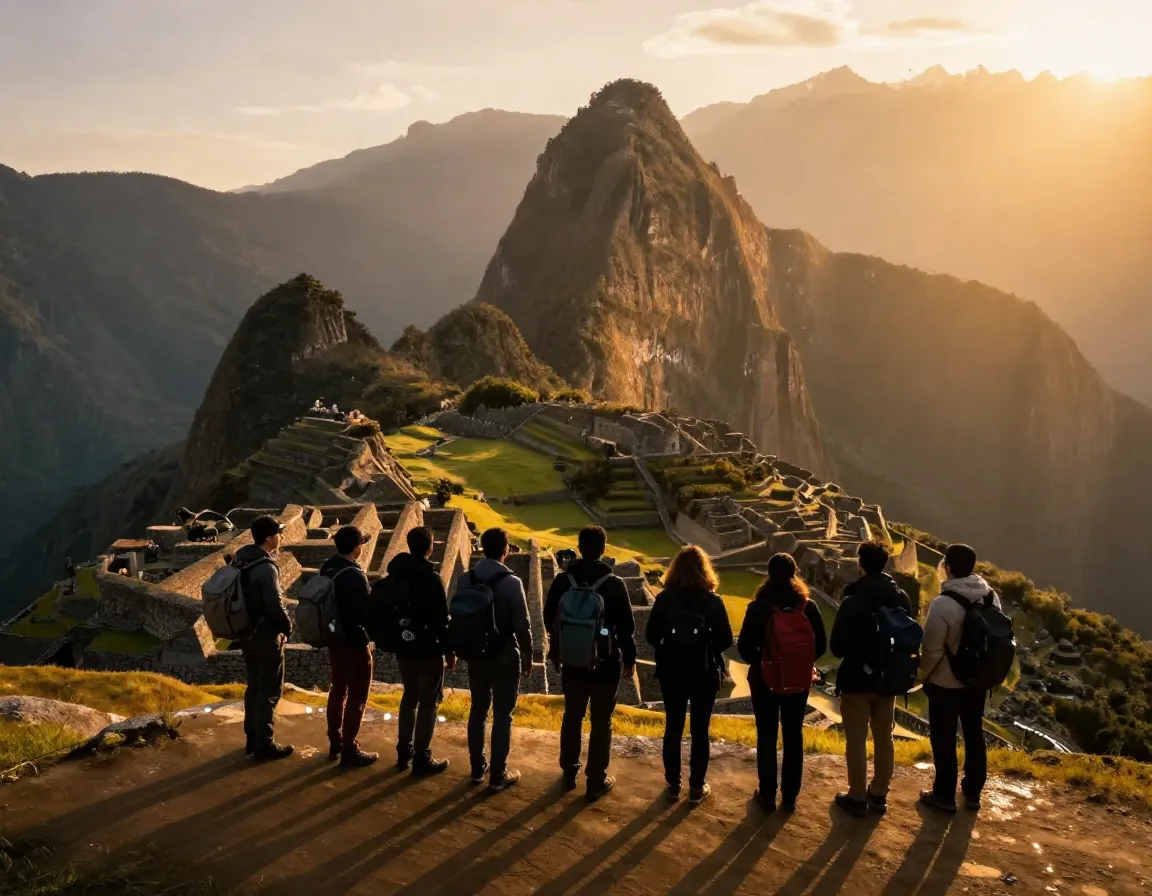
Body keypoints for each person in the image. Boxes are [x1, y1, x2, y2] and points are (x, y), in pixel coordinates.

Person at [544, 525, 637, 801]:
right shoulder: (614, 584)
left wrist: (563, 646)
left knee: (572, 716)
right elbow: (626, 629)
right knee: (601, 721)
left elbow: (550, 620)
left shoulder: (564, 581)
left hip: (573, 662)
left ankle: (569, 772)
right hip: (606, 664)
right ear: (603, 549)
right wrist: (629, 661)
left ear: (580, 547)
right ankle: (595, 780)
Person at [829, 541, 914, 817]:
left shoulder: (853, 601)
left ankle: (856, 797)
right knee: (884, 737)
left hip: (857, 680)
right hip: (889, 679)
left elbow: (837, 648)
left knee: (856, 740)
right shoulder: (901, 599)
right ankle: (878, 793)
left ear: (861, 564)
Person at [737, 553, 827, 812]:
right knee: (793, 734)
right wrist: (797, 661)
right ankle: (790, 797)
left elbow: (744, 649)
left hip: (765, 680)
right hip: (798, 681)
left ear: (769, 573)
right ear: (793, 573)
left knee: (766, 735)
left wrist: (765, 660)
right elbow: (820, 645)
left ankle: (767, 795)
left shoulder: (759, 607)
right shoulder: (807, 606)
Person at [645, 545, 732, 806]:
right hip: (703, 672)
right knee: (700, 730)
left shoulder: (665, 598)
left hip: (672, 671)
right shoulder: (712, 601)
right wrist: (706, 646)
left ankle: (673, 784)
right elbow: (726, 639)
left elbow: (651, 635)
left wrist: (670, 646)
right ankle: (696, 787)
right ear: (704, 569)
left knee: (673, 727)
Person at [919, 543, 1002, 813]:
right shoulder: (991, 597)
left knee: (944, 737)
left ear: (948, 567)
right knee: (973, 732)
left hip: (946, 682)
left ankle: (944, 794)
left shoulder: (942, 605)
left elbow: (931, 649)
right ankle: (973, 790)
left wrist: (922, 676)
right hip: (977, 681)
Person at [458, 528, 533, 792]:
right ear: (506, 550)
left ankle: (477, 768)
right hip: (504, 655)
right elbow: (522, 625)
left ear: (480, 548)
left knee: (478, 710)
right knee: (503, 715)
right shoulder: (512, 583)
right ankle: (498, 776)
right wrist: (529, 654)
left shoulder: (465, 580)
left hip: (476, 654)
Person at [383, 526, 453, 775]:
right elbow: (442, 619)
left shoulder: (397, 573)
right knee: (428, 702)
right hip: (428, 648)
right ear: (430, 547)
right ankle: (422, 757)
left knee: (409, 696)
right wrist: (449, 651)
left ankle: (404, 752)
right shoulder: (432, 578)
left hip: (404, 645)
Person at [233, 515, 294, 761]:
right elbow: (274, 604)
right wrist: (287, 627)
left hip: (246, 632)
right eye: (278, 533)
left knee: (254, 686)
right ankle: (264, 744)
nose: (281, 537)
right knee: (269, 690)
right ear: (270, 539)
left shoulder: (241, 559)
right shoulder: (266, 567)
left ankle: (252, 739)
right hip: (266, 634)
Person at [321, 525, 377, 768]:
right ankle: (349, 748)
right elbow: (367, 613)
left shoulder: (327, 567)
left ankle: (335, 741)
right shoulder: (355, 575)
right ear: (356, 549)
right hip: (354, 643)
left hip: (335, 639)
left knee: (337, 690)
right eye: (362, 545)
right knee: (357, 696)